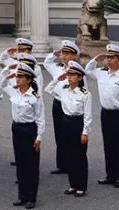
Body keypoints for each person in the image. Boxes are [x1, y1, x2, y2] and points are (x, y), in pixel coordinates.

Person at [86, 43, 119, 188]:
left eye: (111, 57)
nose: (108, 60)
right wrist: (96, 59)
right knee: (108, 145)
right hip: (105, 113)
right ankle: (110, 174)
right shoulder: (102, 71)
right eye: (107, 57)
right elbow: (87, 71)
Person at [44, 60, 92, 198]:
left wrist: (85, 132)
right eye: (68, 74)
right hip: (65, 122)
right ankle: (73, 184)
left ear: (80, 77)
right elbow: (48, 89)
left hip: (78, 123)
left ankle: (81, 186)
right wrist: (57, 79)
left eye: (73, 74)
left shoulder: (85, 94)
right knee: (70, 154)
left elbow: (88, 116)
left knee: (80, 156)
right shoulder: (63, 88)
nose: (69, 76)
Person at [2, 62, 45, 209]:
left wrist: (39, 137)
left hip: (30, 130)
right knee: (20, 164)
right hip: (17, 129)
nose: (17, 79)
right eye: (17, 76)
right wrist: (10, 72)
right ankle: (22, 195)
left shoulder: (35, 96)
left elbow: (40, 119)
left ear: (28, 79)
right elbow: (1, 83)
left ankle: (31, 197)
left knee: (31, 165)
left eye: (20, 76)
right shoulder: (14, 91)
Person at [44, 38, 81, 176]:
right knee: (59, 134)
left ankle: (72, 164)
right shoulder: (58, 69)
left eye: (68, 53)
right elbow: (47, 63)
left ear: (74, 55)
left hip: (70, 105)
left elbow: (84, 91)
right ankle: (62, 164)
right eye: (63, 53)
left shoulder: (78, 72)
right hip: (58, 103)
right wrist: (54, 54)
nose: (64, 56)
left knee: (70, 135)